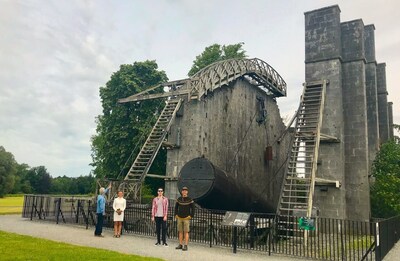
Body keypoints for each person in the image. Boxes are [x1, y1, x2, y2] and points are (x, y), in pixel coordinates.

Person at [174, 186, 195, 251]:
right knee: (180, 232)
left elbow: (193, 209)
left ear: (187, 192)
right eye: (183, 190)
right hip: (179, 217)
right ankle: (180, 244)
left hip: (186, 218)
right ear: (182, 192)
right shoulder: (179, 199)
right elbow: (176, 207)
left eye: (185, 191)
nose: (184, 192)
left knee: (186, 232)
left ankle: (185, 245)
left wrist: (191, 216)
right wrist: (176, 215)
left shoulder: (190, 199)